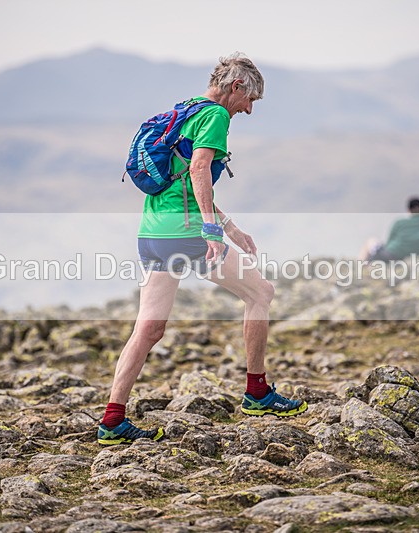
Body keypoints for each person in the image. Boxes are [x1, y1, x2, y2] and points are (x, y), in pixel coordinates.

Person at [98, 53, 307, 447]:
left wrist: (231, 228)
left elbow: (182, 182)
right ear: (236, 87)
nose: (248, 110)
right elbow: (197, 172)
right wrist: (213, 232)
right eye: (251, 101)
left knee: (149, 328)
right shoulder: (215, 116)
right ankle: (257, 392)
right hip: (188, 233)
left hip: (154, 233)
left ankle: (112, 419)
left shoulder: (185, 110)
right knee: (261, 293)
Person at [359, 197, 419, 261]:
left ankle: (360, 269)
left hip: (393, 256)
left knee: (371, 241)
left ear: (408, 210)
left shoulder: (400, 223)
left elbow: (389, 243)